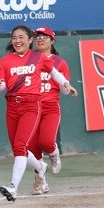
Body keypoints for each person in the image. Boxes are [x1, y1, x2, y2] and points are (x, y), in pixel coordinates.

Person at [0, 25, 78, 202]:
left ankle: (13, 187)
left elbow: (55, 72)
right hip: (13, 106)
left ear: (29, 40)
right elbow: (2, 86)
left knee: (42, 142)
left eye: (22, 37)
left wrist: (66, 85)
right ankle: (41, 172)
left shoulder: (43, 59)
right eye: (14, 37)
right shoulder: (6, 60)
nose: (17, 41)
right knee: (25, 148)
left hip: (37, 105)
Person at [28, 27, 72, 192]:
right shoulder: (29, 59)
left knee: (46, 141)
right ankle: (41, 181)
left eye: (44, 37)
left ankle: (54, 155)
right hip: (30, 107)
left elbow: (65, 90)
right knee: (33, 147)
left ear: (52, 41)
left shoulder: (60, 63)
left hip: (50, 106)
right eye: (37, 36)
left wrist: (65, 85)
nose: (40, 39)